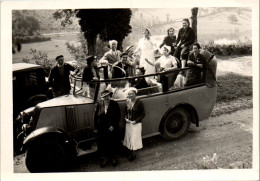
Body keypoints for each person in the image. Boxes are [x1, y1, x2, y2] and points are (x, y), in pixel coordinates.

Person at [94, 90, 121, 167]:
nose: (106, 98)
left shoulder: (114, 104)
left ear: (110, 96)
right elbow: (95, 117)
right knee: (103, 143)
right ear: (102, 98)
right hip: (102, 128)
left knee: (113, 142)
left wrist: (113, 126)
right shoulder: (99, 104)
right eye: (104, 97)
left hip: (112, 128)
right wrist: (96, 128)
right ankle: (105, 159)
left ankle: (113, 158)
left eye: (107, 96)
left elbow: (118, 116)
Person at [123, 87, 145, 161]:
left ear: (135, 94)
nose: (131, 95)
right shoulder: (128, 102)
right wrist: (126, 118)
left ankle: (133, 154)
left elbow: (143, 114)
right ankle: (130, 152)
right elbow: (126, 112)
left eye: (132, 94)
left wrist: (136, 121)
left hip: (136, 124)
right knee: (129, 138)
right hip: (129, 123)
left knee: (134, 139)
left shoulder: (139, 102)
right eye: (129, 94)